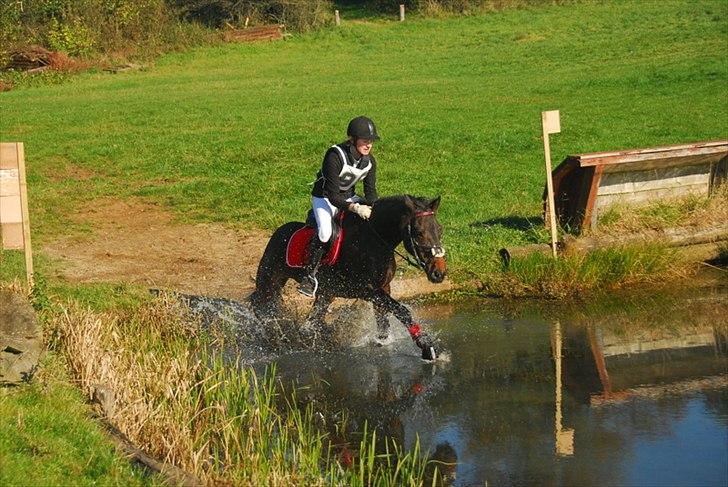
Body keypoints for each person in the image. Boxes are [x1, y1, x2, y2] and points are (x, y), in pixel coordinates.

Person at [298, 116, 380, 297]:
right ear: (353, 139)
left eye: (371, 142)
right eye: (365, 141)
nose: (369, 145)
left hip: (349, 197)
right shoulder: (335, 155)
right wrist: (356, 208)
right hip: (325, 198)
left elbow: (371, 193)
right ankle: (309, 276)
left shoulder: (369, 162)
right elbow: (333, 196)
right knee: (325, 233)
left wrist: (377, 209)